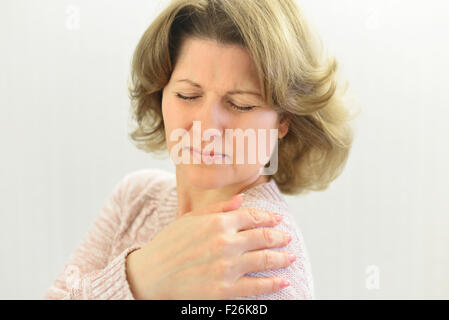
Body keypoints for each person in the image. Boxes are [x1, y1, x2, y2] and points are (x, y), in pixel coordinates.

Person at [44, 0, 354, 300]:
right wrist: (139, 277)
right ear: (159, 94)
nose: (206, 129)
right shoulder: (137, 199)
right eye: (188, 95)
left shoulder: (260, 256)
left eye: (240, 104)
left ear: (283, 119)